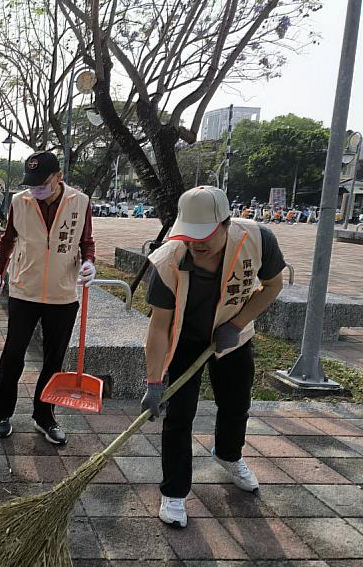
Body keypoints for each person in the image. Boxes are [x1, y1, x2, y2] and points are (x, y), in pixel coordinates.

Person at [141, 186, 286, 529]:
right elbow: (159, 327)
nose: (196, 244)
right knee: (179, 416)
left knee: (236, 404)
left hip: (232, 337)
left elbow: (274, 285)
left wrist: (236, 324)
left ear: (225, 223)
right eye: (189, 236)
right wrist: (153, 381)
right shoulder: (168, 260)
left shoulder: (258, 239)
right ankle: (174, 491)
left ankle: (228, 454)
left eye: (204, 235)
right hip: (185, 340)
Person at [0, 151, 96, 445]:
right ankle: (3, 413)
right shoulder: (20, 201)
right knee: (13, 354)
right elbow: (8, 238)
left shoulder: (80, 202)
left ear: (59, 177)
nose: (36, 190)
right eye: (32, 184)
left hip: (63, 294)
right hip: (25, 289)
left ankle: (44, 416)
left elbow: (86, 241)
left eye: (42, 184)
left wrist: (89, 262)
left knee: (53, 360)